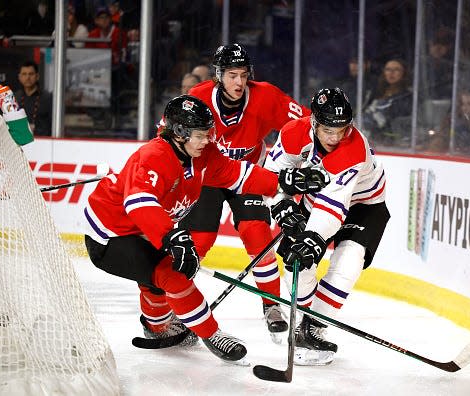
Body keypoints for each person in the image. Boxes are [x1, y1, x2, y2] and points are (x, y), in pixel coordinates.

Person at [83, 95, 327, 363]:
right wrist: (171, 236)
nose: (207, 140)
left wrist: (284, 182)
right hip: (110, 235)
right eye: (200, 135)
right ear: (179, 133)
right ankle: (212, 334)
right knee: (172, 275)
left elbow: (239, 174)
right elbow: (139, 203)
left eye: (208, 133)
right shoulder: (154, 156)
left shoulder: (202, 154)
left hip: (144, 229)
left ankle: (157, 328)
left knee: (155, 281)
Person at [183, 43, 310, 343]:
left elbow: (307, 126)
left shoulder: (266, 96)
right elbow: (173, 140)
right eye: (231, 75)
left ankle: (271, 306)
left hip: (249, 174)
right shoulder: (198, 97)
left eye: (242, 75)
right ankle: (177, 307)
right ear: (218, 75)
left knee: (257, 234)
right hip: (211, 176)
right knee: (197, 242)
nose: (239, 83)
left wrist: (309, 161)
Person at [264, 88, 390, 365]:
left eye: (341, 130)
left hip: (364, 206)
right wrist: (281, 204)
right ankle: (304, 323)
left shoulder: (353, 149)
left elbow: (333, 206)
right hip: (316, 200)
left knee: (348, 262)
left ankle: (314, 327)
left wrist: (313, 238)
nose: (335, 138)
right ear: (314, 123)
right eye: (328, 130)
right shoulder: (292, 133)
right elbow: (270, 177)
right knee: (295, 262)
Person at [362, 58, 412, 147]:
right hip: (365, 137)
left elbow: (396, 122)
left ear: (404, 73)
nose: (391, 73)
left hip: (388, 142)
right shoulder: (376, 92)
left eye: (396, 69)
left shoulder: (407, 96)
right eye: (388, 69)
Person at [14, 61, 52, 136]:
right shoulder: (15, 97)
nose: (27, 77)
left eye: (31, 74)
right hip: (19, 141)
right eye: (24, 74)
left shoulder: (47, 98)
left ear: (37, 76)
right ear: (19, 77)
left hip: (43, 141)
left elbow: (52, 124)